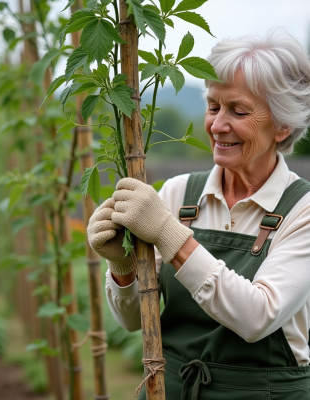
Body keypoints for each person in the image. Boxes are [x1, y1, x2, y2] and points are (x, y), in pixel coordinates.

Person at [87, 30, 310, 399]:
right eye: (212, 106)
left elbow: (257, 317)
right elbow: (131, 321)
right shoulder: (178, 193)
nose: (218, 125)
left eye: (238, 111)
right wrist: (122, 267)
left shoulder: (301, 210)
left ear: (283, 125)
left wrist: (167, 233)